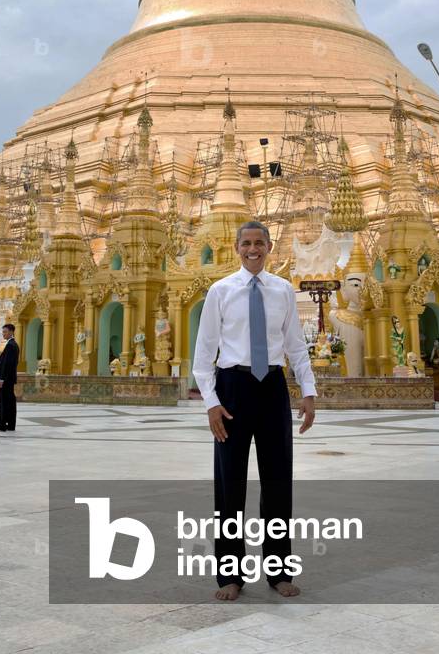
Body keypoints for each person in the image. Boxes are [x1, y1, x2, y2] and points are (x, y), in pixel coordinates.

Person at [192, 221, 316, 602]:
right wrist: (212, 402)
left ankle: (278, 570)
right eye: (246, 243)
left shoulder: (282, 290)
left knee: (277, 483)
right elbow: (203, 353)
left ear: (269, 246)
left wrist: (307, 391)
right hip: (232, 387)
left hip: (272, 387)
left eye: (259, 243)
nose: (252, 249)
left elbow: (295, 345)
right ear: (236, 247)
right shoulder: (220, 291)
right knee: (229, 486)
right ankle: (229, 574)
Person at [0, 323, 19, 432]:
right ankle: (11, 425)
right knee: (10, 402)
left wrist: (1, 378)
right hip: (9, 379)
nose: (3, 334)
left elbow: (7, 364)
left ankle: (3, 425)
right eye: (3, 332)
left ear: (11, 332)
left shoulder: (10, 345)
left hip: (6, 380)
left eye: (5, 332)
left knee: (4, 402)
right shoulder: (12, 344)